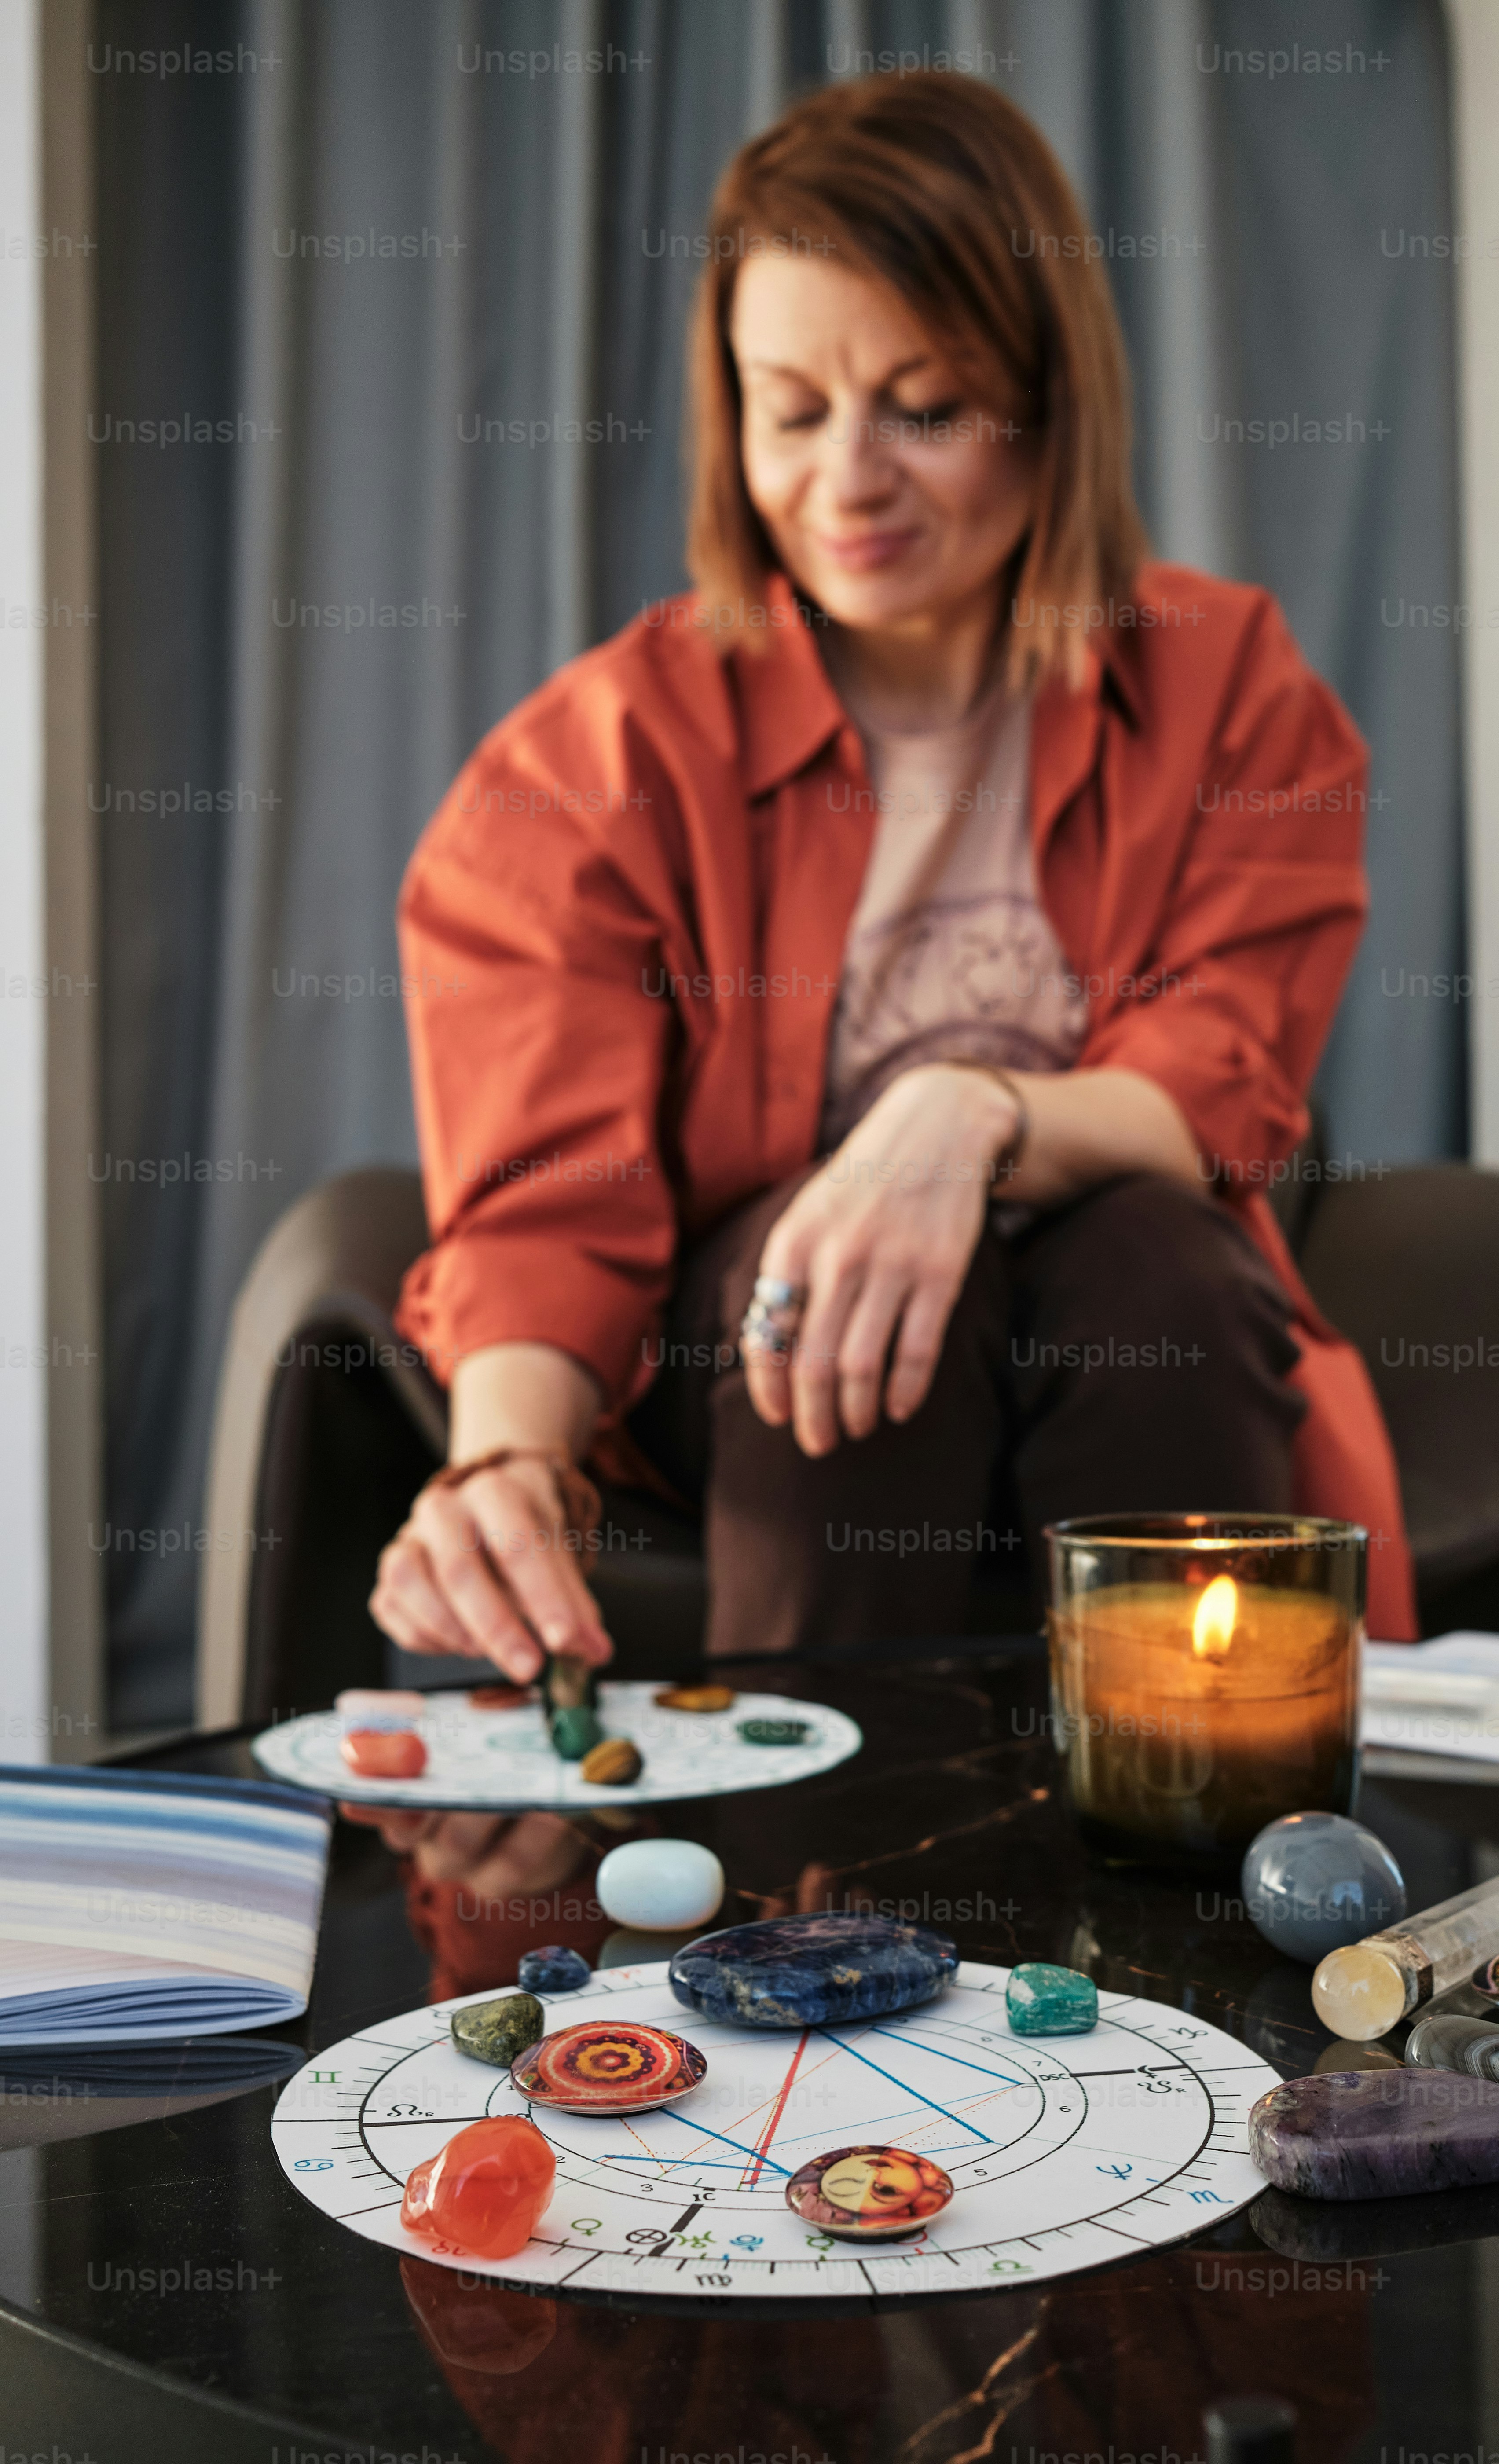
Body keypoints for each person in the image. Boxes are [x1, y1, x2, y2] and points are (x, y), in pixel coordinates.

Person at [369, 70, 1416, 1705]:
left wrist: (961, 1112)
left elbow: (1223, 1080)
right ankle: (822, 1917)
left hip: (1118, 1293)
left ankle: (1192, 1878)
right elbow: (547, 1195)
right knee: (831, 1281)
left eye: (924, 406)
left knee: (1169, 1259)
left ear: (1051, 397)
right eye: (792, 409)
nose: (846, 482)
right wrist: (503, 1464)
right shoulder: (593, 756)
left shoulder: (1233, 686)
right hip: (765, 1350)